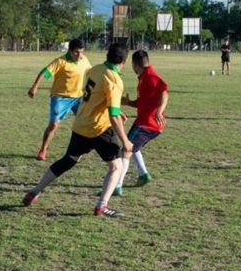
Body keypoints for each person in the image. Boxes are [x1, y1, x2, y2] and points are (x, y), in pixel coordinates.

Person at [22, 43, 133, 218]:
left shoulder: (95, 69)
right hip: (99, 129)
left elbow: (96, 96)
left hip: (80, 124)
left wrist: (117, 110)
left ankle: (35, 191)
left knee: (68, 160)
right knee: (116, 167)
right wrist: (125, 141)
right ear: (123, 61)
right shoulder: (114, 79)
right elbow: (113, 116)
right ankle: (102, 206)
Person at [27, 38, 92, 161]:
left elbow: (91, 73)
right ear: (70, 51)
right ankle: (43, 149)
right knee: (54, 125)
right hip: (60, 98)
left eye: (82, 52)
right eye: (76, 52)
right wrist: (34, 87)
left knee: (87, 122)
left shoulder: (84, 60)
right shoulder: (60, 62)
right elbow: (44, 72)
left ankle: (81, 149)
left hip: (78, 98)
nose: (79, 55)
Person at [115, 50, 169, 196]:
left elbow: (164, 93)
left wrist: (159, 111)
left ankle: (117, 185)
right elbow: (143, 102)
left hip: (147, 124)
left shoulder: (151, 76)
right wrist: (129, 103)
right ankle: (143, 174)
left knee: (126, 150)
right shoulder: (144, 77)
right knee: (133, 147)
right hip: (146, 123)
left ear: (134, 64)